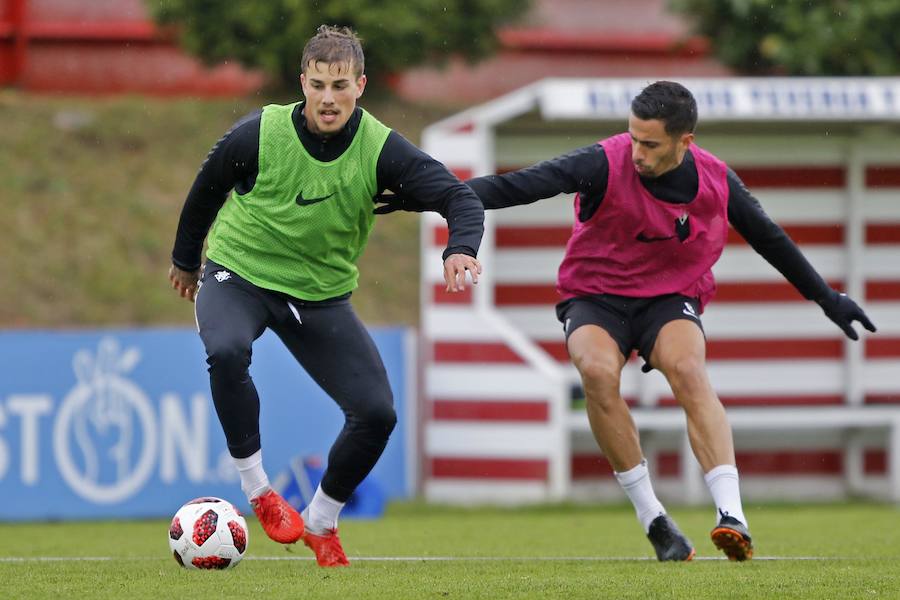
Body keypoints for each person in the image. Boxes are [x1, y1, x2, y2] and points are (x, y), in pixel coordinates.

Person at [377, 80, 876, 561]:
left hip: (670, 297)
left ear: (686, 142)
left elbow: (772, 241)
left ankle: (732, 516)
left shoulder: (718, 181)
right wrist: (434, 197)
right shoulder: (604, 160)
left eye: (651, 144)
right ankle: (654, 519)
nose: (638, 151)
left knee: (688, 371)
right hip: (595, 295)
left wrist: (828, 300)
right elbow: (520, 185)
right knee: (595, 371)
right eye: (634, 137)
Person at [168, 25, 484, 567]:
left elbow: (458, 196)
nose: (329, 98)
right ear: (303, 83)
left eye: (340, 86)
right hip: (239, 274)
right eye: (318, 85)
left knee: (377, 413)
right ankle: (261, 494)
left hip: (319, 296)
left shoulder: (381, 147)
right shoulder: (260, 133)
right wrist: (184, 259)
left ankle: (321, 521)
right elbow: (206, 189)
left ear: (360, 85)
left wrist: (460, 247)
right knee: (225, 352)